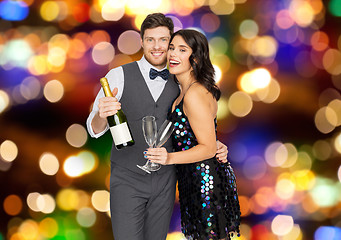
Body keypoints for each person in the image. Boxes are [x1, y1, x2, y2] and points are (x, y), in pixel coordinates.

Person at [86, 13, 229, 240]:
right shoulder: (118, 76)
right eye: (150, 39)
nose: (157, 46)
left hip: (166, 182)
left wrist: (213, 143)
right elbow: (93, 129)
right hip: (127, 181)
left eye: (164, 40)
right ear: (141, 41)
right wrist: (102, 115)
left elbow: (193, 122)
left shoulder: (180, 78)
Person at [145, 29, 241, 240]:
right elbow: (201, 136)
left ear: (195, 58)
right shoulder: (185, 92)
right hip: (193, 181)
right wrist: (216, 143)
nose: (173, 54)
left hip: (204, 183)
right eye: (171, 48)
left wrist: (168, 158)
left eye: (182, 50)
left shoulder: (194, 93)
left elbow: (206, 148)